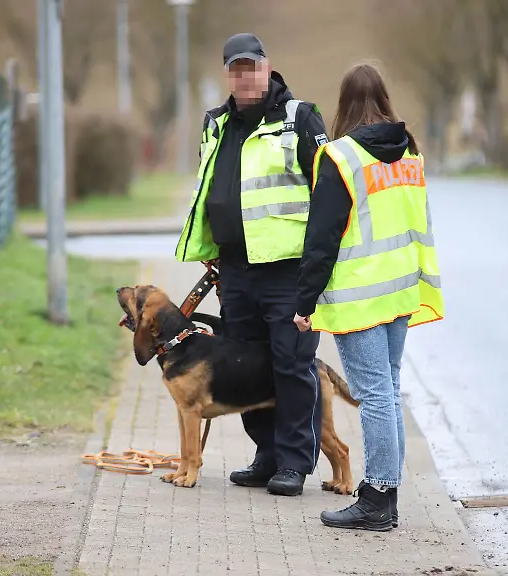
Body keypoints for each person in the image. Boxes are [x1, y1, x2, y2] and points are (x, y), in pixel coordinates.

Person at [174, 33, 331, 496]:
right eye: (236, 68)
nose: (245, 76)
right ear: (228, 74)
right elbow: (210, 188)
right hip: (236, 271)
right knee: (245, 365)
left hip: (287, 270)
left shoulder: (299, 117)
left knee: (291, 364)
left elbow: (327, 190)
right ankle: (266, 456)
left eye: (253, 66)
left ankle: (295, 463)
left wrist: (320, 265)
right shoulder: (216, 123)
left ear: (268, 67)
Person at [293, 62, 445, 531]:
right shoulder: (409, 153)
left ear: (344, 105)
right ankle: (385, 494)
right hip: (400, 289)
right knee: (388, 393)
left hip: (360, 298)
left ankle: (378, 496)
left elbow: (322, 237)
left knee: (376, 396)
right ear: (384, 100)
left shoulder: (341, 157)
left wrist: (305, 302)